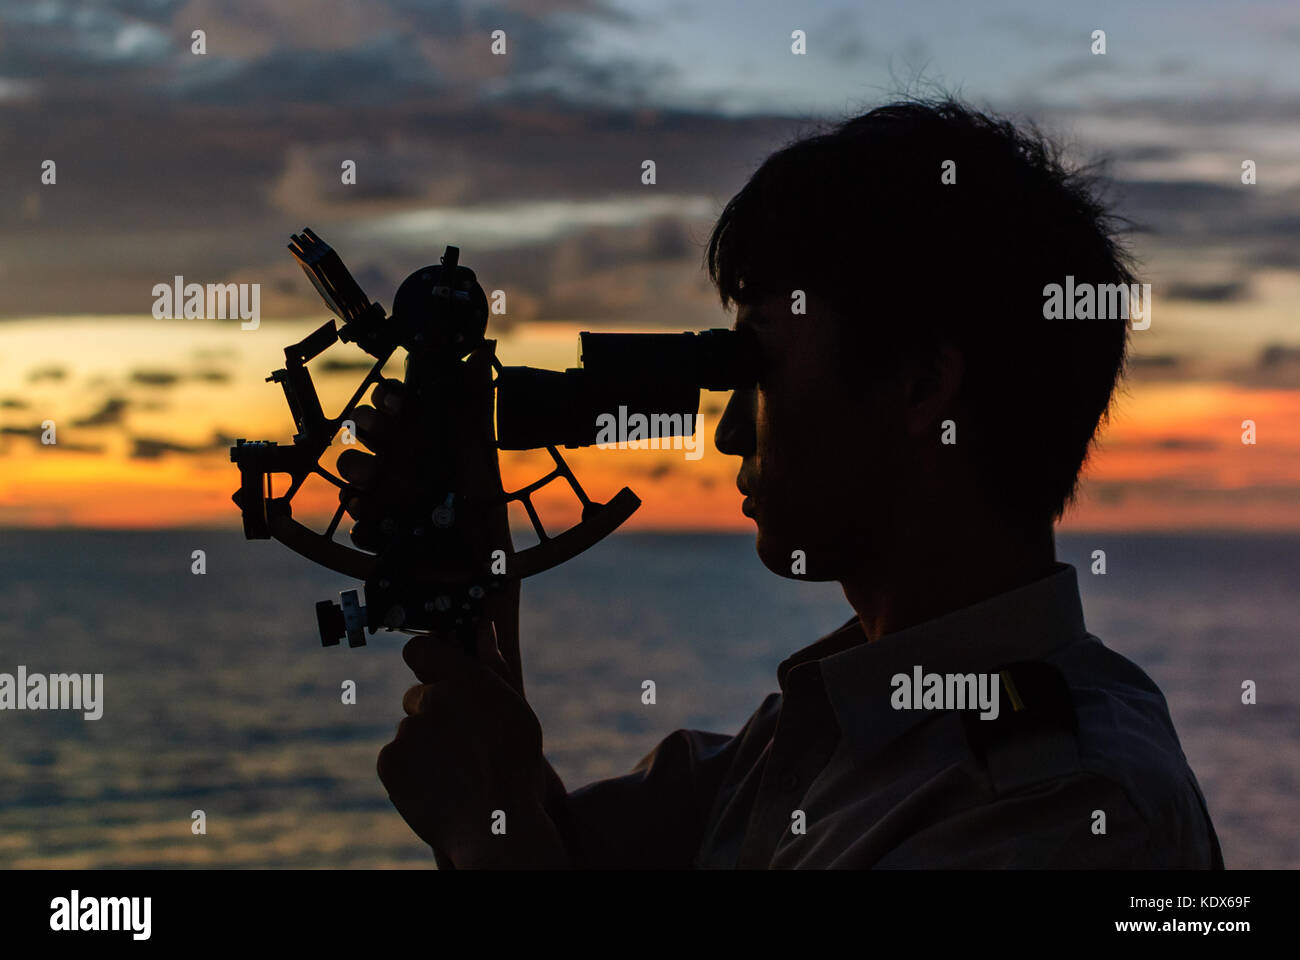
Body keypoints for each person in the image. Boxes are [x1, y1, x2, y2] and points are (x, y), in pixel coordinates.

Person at [354, 97, 1223, 869]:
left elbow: (511, 834)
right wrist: (480, 618)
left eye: (757, 360)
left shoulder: (1065, 811)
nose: (731, 427)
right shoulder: (824, 733)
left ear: (922, 387)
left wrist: (482, 834)